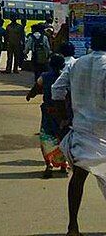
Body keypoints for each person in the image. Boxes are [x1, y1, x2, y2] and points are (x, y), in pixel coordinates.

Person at [52, 23, 106, 236]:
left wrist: (64, 119)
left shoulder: (76, 64)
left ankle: (72, 226)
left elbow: (57, 89)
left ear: (91, 43)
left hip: (82, 131)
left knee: (77, 179)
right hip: (103, 131)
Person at [26, 53, 68, 178]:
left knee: (46, 138)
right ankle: (63, 164)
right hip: (63, 113)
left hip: (49, 112)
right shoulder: (66, 76)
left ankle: (49, 164)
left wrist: (30, 95)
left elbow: (35, 88)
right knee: (63, 138)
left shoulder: (44, 76)